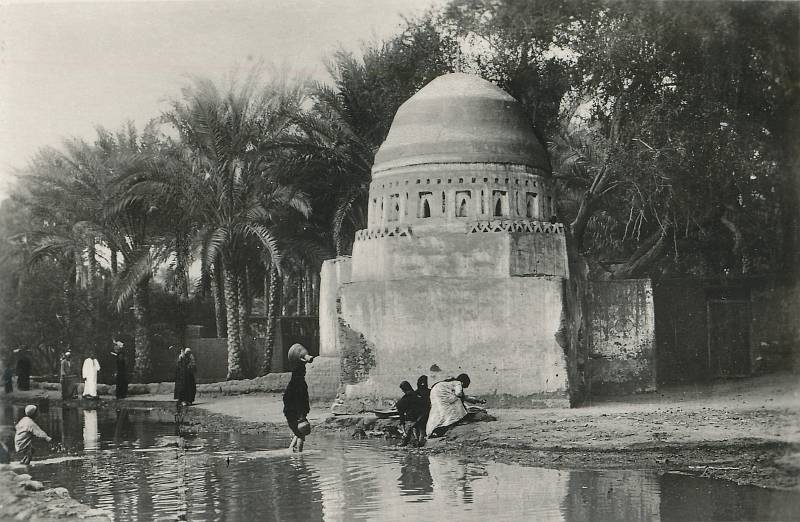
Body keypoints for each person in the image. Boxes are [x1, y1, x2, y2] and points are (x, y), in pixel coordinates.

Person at [425, 373, 485, 438]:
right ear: (463, 382)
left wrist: (477, 401)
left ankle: (435, 431)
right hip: (442, 395)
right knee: (455, 413)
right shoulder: (458, 383)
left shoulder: (450, 383)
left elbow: (463, 397)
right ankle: (457, 421)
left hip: (436, 396)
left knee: (441, 415)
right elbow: (459, 393)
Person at [283, 343, 314, 452]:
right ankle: (299, 458)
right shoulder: (299, 383)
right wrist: (301, 416)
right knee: (301, 434)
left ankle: (290, 452)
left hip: (290, 410)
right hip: (295, 412)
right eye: (304, 371)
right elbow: (300, 399)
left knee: (298, 433)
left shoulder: (294, 382)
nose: (305, 372)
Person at [396, 381, 427, 447]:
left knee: (410, 428)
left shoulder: (403, 401)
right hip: (423, 417)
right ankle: (417, 440)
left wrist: (404, 432)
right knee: (417, 429)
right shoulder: (417, 395)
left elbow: (402, 419)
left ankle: (413, 440)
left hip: (417, 419)